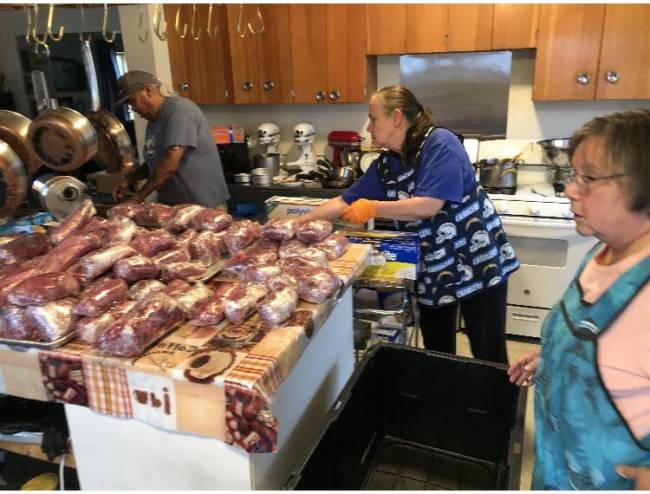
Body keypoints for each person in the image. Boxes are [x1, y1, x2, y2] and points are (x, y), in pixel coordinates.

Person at [300, 85, 519, 363]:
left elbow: (429, 205)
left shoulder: (440, 142)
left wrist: (373, 207)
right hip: (434, 268)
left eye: (373, 118)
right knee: (437, 352)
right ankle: (442, 404)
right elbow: (343, 202)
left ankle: (494, 406)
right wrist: (298, 222)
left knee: (488, 352)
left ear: (396, 117)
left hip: (477, 261)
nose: (369, 127)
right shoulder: (386, 165)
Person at [507, 109, 650, 490]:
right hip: (554, 474)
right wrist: (554, 356)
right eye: (574, 175)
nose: (570, 189)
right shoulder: (604, 252)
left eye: (588, 178)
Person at [111, 70, 229, 207]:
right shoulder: (154, 120)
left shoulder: (179, 111)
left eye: (133, 101)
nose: (134, 109)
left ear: (148, 90)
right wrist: (129, 179)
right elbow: (156, 161)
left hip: (203, 209)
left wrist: (137, 198)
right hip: (175, 209)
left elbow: (170, 164)